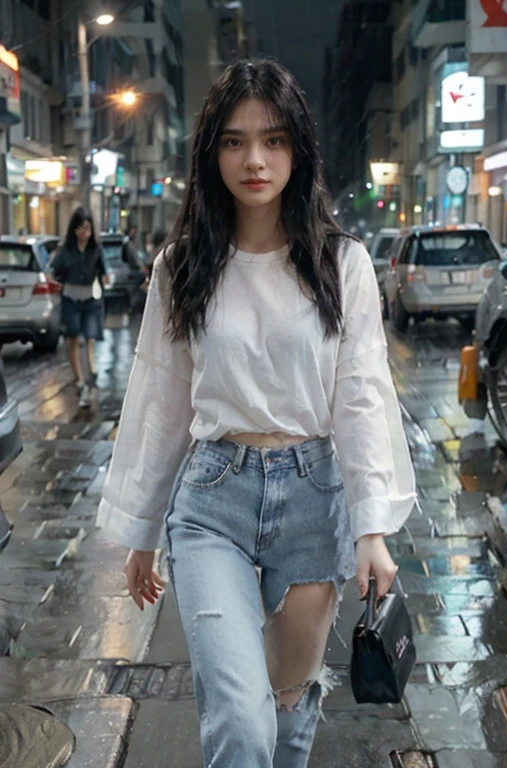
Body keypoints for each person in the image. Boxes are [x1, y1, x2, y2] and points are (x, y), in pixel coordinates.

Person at [97, 58, 416, 766]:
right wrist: (142, 530)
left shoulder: (342, 263)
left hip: (314, 499)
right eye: (234, 141)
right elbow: (160, 398)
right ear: (211, 153)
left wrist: (371, 526)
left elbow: (360, 394)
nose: (254, 159)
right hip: (214, 500)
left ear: (297, 149)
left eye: (272, 140)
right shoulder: (181, 264)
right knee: (241, 723)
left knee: (289, 704)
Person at [52, 208, 108, 408]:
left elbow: (104, 272)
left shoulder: (96, 250)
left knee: (90, 336)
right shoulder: (66, 250)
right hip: (71, 299)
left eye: (87, 227)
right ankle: (80, 379)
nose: (84, 232)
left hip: (91, 300)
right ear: (74, 230)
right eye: (80, 228)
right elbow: (54, 270)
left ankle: (91, 373)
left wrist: (105, 282)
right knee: (72, 338)